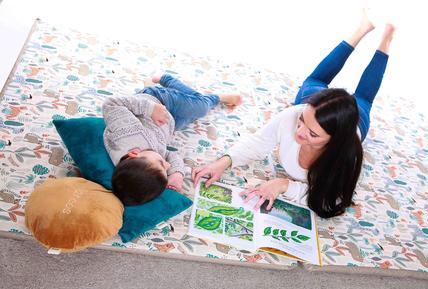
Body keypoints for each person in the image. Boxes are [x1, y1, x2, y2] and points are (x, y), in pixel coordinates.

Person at [192, 10, 395, 218]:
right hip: (314, 101)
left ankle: (386, 40)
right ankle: (361, 30)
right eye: (302, 122)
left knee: (363, 98)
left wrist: (284, 185)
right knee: (314, 82)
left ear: (335, 141)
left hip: (355, 119)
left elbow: (331, 200)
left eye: (313, 134)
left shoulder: (346, 156)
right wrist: (223, 162)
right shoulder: (296, 113)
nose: (299, 132)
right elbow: (259, 142)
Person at [103, 74, 242, 206]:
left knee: (200, 107)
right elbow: (171, 155)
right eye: (166, 169)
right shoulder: (142, 165)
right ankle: (194, 98)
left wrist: (151, 109)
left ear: (133, 153)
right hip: (169, 124)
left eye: (162, 164)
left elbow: (111, 103)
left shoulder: (125, 134)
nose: (167, 165)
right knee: (192, 110)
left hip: (159, 101)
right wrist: (176, 173)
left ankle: (171, 81)